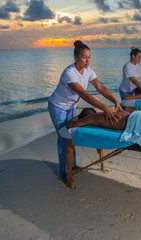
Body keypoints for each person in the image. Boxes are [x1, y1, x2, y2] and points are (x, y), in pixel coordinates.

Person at [48, 40, 123, 181]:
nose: (87, 60)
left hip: (71, 106)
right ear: (76, 58)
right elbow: (84, 95)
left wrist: (115, 101)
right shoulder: (69, 73)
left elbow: (100, 88)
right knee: (63, 137)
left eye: (89, 57)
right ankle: (64, 172)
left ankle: (73, 165)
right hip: (58, 106)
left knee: (72, 134)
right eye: (84, 57)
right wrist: (104, 108)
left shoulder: (89, 71)